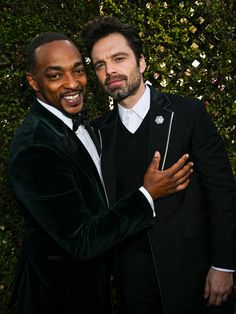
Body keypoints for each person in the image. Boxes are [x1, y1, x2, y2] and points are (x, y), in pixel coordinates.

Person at [7, 31, 193, 314]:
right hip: (56, 298)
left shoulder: (83, 126)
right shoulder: (35, 148)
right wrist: (148, 194)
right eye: (55, 75)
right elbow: (83, 240)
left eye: (78, 71)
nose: (72, 83)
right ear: (33, 82)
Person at [81, 16, 236, 314]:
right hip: (130, 280)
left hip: (192, 272)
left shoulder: (188, 113)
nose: (109, 70)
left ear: (141, 63)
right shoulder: (98, 132)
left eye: (119, 58)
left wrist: (224, 265)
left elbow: (223, 192)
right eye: (100, 65)